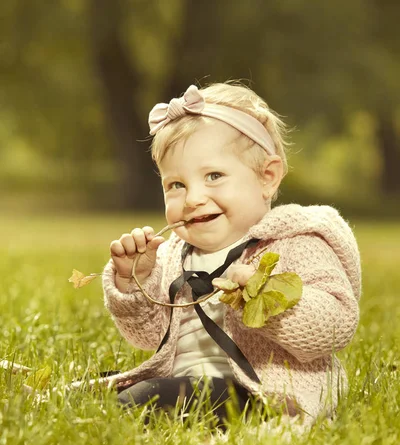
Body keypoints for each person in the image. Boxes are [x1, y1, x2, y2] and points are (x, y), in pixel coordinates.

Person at [102, 82, 361, 423]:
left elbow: (334, 327)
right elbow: (147, 336)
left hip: (264, 391)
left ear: (267, 177)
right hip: (188, 383)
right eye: (176, 185)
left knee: (139, 400)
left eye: (213, 176)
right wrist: (134, 279)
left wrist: (265, 295)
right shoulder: (175, 254)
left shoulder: (297, 243)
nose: (192, 198)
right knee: (114, 391)